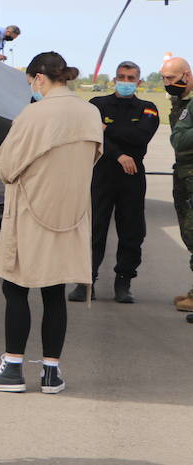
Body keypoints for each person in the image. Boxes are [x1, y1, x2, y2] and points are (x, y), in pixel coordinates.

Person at [0, 52, 101, 397]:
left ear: (40, 77)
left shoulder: (34, 113)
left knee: (15, 289)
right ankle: (51, 373)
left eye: (30, 81)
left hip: (31, 212)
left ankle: (13, 368)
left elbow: (8, 166)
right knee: (54, 292)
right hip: (71, 214)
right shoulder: (90, 113)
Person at [70, 62, 159, 303]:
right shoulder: (97, 104)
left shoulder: (148, 108)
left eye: (131, 78)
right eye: (121, 77)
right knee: (93, 230)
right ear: (114, 80)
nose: (125, 81)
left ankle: (124, 283)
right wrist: (119, 154)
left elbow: (141, 136)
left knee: (132, 231)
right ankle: (85, 281)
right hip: (102, 173)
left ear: (138, 82)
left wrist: (107, 129)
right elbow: (91, 136)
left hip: (132, 176)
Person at [159, 56, 193, 312]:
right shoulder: (181, 101)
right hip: (183, 174)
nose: (166, 83)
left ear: (187, 75)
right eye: (164, 78)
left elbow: (179, 140)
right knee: (188, 234)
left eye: (171, 78)